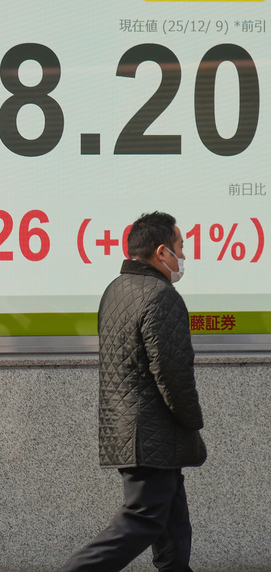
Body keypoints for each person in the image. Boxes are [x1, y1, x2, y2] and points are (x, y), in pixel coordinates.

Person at [58, 212, 206, 572]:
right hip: (151, 433)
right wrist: (193, 421)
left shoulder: (116, 290)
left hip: (130, 430)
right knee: (143, 519)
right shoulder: (161, 296)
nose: (183, 255)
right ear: (161, 251)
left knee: (171, 525)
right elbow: (172, 374)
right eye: (180, 247)